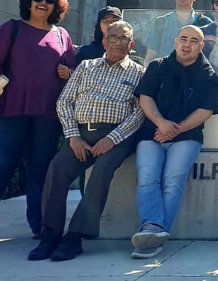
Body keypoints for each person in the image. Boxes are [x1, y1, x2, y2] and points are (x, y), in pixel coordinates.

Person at [0, 0, 76, 246]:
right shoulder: (10, 29)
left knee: (40, 171)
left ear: (56, 7)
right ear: (29, 1)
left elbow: (72, 74)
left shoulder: (62, 36)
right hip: (10, 113)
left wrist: (67, 73)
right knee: (0, 168)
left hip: (47, 117)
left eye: (50, 0)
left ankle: (39, 226)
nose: (43, 3)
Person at [28, 21, 145, 261]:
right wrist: (73, 136)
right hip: (80, 134)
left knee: (102, 170)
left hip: (116, 136)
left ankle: (75, 236)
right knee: (57, 169)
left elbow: (139, 112)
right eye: (113, 37)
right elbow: (64, 101)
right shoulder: (86, 67)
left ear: (131, 45)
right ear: (104, 41)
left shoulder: (139, 72)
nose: (117, 43)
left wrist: (112, 139)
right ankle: (50, 233)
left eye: (124, 39)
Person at [130, 25, 218, 258]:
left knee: (173, 180)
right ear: (175, 41)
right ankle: (152, 228)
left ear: (201, 47)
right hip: (151, 134)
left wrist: (174, 129)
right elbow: (145, 97)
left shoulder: (208, 74)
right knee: (147, 178)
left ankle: (154, 236)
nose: (187, 44)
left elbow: (205, 111)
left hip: (187, 137)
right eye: (183, 39)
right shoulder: (157, 66)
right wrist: (161, 123)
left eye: (193, 41)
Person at [144, 0, 213, 64]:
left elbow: (210, 56)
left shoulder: (205, 23)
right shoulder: (161, 22)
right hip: (165, 73)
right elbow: (150, 55)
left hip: (193, 74)